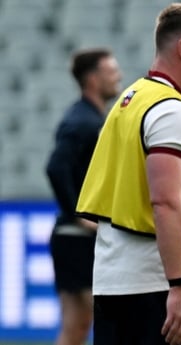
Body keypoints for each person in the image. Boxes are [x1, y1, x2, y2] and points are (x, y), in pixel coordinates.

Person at [75, 3, 181, 345]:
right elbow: (165, 202)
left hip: (113, 281)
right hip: (155, 288)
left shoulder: (130, 100)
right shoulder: (171, 112)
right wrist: (179, 284)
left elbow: (134, 200)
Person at [45, 48, 121, 345]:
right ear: (92, 79)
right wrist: (80, 215)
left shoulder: (87, 117)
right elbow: (55, 167)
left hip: (68, 236)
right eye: (111, 72)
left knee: (76, 326)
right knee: (113, 322)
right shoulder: (84, 122)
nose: (119, 77)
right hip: (78, 239)